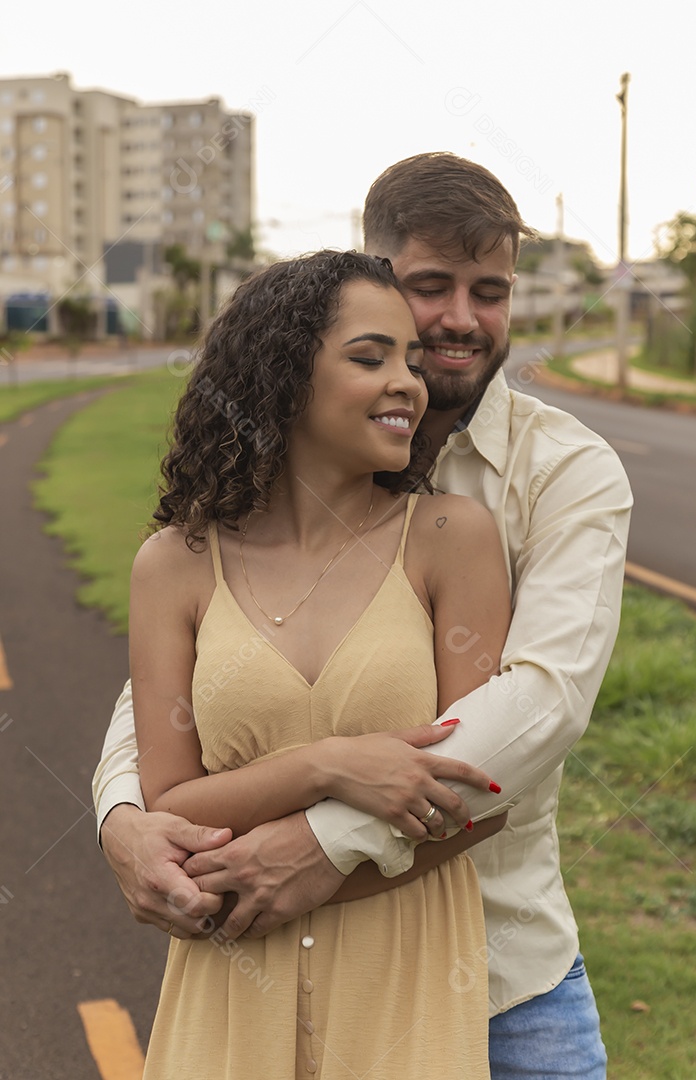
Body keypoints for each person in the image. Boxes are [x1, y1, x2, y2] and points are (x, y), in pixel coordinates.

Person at [94, 153, 633, 1079]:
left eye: (491, 290)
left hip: (497, 971)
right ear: (376, 275)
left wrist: (320, 847)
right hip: (252, 966)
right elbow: (178, 682)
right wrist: (122, 816)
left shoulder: (562, 476)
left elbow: (536, 706)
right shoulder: (246, 505)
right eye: (432, 286)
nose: (463, 319)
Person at [128, 248, 512, 1077]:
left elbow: (478, 796)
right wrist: (327, 765)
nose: (408, 382)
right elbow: (171, 805)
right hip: (226, 993)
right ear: (281, 375)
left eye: (411, 361)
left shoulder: (451, 539)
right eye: (371, 358)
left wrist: (303, 866)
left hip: (404, 983)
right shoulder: (175, 563)